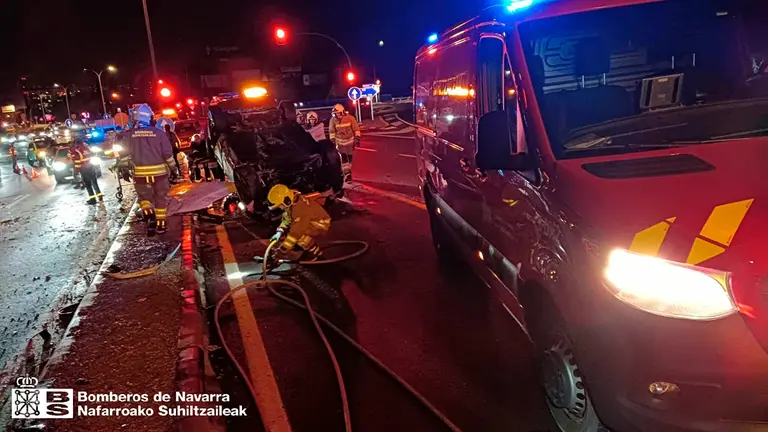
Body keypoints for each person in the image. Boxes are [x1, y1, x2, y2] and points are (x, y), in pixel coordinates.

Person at [123, 104, 176, 236]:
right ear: (150, 117)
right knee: (160, 199)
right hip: (160, 175)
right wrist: (174, 169)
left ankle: (150, 218)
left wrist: (124, 169)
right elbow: (168, 154)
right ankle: (161, 226)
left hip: (140, 175)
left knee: (145, 198)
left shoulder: (129, 135)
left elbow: (123, 154)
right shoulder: (159, 134)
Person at [264, 184, 331, 262]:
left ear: (286, 201)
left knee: (299, 236)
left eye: (280, 205)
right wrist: (280, 231)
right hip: (310, 221)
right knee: (292, 232)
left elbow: (296, 232)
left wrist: (284, 248)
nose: (280, 208)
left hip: (320, 223)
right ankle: (306, 247)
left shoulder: (299, 208)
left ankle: (316, 254)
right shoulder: (292, 203)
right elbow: (287, 219)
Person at [328, 104, 360, 182]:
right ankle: (347, 174)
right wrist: (332, 141)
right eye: (335, 113)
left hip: (350, 143)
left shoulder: (350, 118)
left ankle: (349, 172)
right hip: (340, 143)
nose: (336, 114)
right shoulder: (333, 120)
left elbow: (356, 129)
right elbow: (332, 131)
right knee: (344, 160)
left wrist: (357, 139)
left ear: (342, 112)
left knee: (350, 159)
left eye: (338, 113)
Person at [69, 137, 103, 204]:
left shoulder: (76, 149)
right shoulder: (86, 147)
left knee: (88, 184)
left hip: (84, 168)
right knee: (94, 181)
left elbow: (77, 160)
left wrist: (77, 170)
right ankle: (99, 195)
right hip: (91, 166)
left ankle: (92, 199)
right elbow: (92, 154)